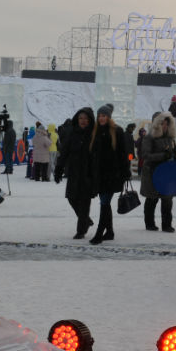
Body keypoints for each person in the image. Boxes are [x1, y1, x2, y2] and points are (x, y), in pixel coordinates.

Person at [87, 104, 128, 245]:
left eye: (103, 116)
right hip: (99, 175)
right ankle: (109, 231)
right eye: (99, 116)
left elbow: (124, 154)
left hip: (112, 175)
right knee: (105, 203)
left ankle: (99, 233)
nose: (101, 118)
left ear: (109, 117)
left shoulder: (117, 131)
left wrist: (125, 171)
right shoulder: (95, 132)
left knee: (104, 203)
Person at [55, 106, 95, 239]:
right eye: (80, 118)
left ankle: (81, 230)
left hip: (88, 173)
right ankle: (86, 220)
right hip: (73, 172)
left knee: (84, 202)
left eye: (85, 118)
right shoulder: (72, 133)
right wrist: (59, 168)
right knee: (72, 198)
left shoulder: (94, 134)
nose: (83, 121)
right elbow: (64, 152)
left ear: (90, 120)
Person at [139, 112, 176, 233]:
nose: (165, 126)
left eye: (167, 124)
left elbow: (172, 152)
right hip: (152, 172)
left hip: (166, 173)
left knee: (167, 200)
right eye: (162, 123)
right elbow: (145, 155)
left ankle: (167, 224)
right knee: (152, 199)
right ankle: (149, 223)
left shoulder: (170, 138)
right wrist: (163, 155)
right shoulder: (149, 137)